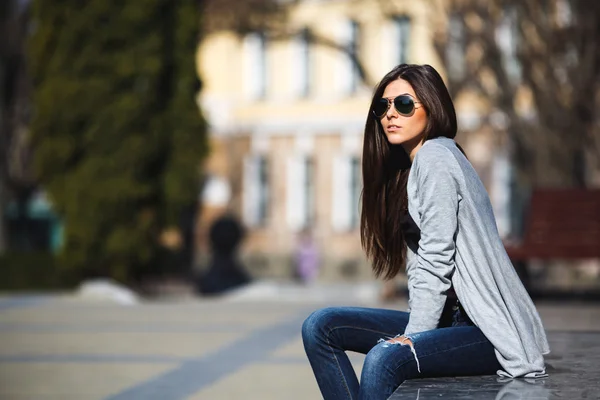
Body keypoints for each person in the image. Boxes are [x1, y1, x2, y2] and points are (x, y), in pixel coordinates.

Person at [301, 64, 549, 400]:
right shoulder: (412, 167)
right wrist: (418, 326)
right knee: (321, 326)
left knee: (384, 358)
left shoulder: (436, 157)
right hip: (449, 323)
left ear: (431, 108)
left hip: (486, 330)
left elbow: (436, 257)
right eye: (383, 106)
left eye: (403, 104)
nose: (391, 114)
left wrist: (415, 334)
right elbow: (422, 266)